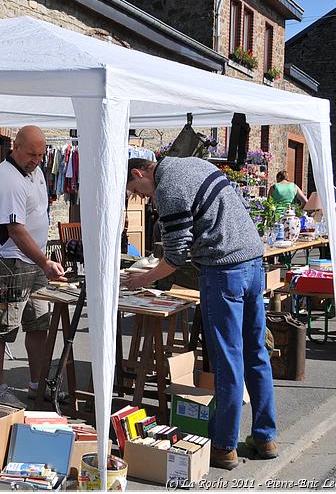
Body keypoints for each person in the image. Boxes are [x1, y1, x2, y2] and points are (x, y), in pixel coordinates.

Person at [122, 157, 277, 470]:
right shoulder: (192, 163)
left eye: (136, 190)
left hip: (223, 270)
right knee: (255, 353)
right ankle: (265, 437)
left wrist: (141, 279)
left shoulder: (168, 189)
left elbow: (176, 255)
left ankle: (224, 446)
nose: (142, 198)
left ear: (140, 173)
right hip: (252, 263)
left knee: (227, 359)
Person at [0, 125, 66, 406]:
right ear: (14, 147)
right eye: (31, 154)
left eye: (41, 155)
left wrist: (41, 259)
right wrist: (44, 262)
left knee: (39, 323)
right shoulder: (8, 179)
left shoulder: (35, 170)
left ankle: (37, 383)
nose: (36, 160)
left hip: (32, 261)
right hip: (8, 262)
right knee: (2, 327)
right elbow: (16, 230)